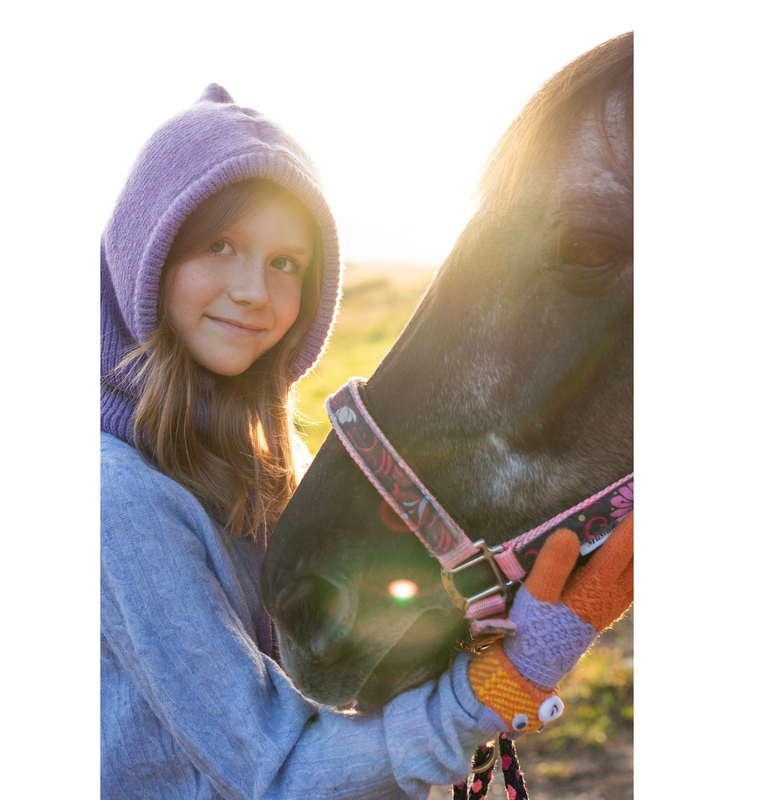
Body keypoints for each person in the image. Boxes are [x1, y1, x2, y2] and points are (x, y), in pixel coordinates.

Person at [101, 85, 633, 799]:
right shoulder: (119, 497)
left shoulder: (239, 460)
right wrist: (498, 686)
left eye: (286, 262)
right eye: (218, 246)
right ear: (148, 253)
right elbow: (277, 772)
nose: (253, 289)